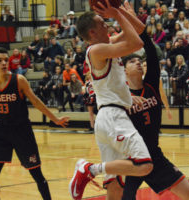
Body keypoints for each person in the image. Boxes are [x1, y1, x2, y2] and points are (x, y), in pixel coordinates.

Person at [69, 2, 153, 200]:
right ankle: (89, 169)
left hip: (109, 117)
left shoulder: (107, 45)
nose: (106, 24)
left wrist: (123, 12)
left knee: (115, 188)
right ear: (92, 32)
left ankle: (90, 169)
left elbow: (138, 31)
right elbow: (137, 44)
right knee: (144, 165)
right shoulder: (95, 50)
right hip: (113, 119)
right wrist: (116, 13)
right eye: (101, 22)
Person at [121, 3, 189, 199]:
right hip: (132, 158)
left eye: (139, 60)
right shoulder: (120, 97)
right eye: (131, 61)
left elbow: (152, 53)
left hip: (155, 156)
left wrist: (137, 25)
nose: (138, 61)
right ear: (124, 71)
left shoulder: (151, 84)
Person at [0, 47, 69, 199]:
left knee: (36, 173)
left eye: (6, 60)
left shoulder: (18, 80)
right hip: (2, 131)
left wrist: (55, 119)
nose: (4, 63)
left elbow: (36, 102)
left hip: (22, 131)